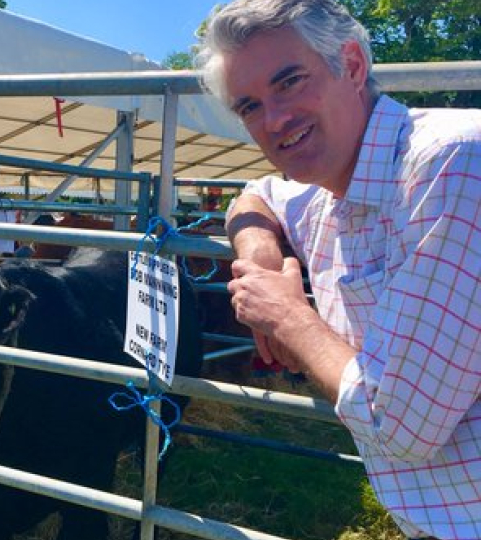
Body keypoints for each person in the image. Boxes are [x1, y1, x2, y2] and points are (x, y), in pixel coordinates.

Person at [197, 1, 480, 539]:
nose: (274, 120)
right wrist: (257, 251)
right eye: (250, 106)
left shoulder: (452, 163)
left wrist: (285, 315)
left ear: (351, 65)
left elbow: (398, 425)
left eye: (291, 81)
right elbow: (254, 193)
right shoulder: (325, 190)